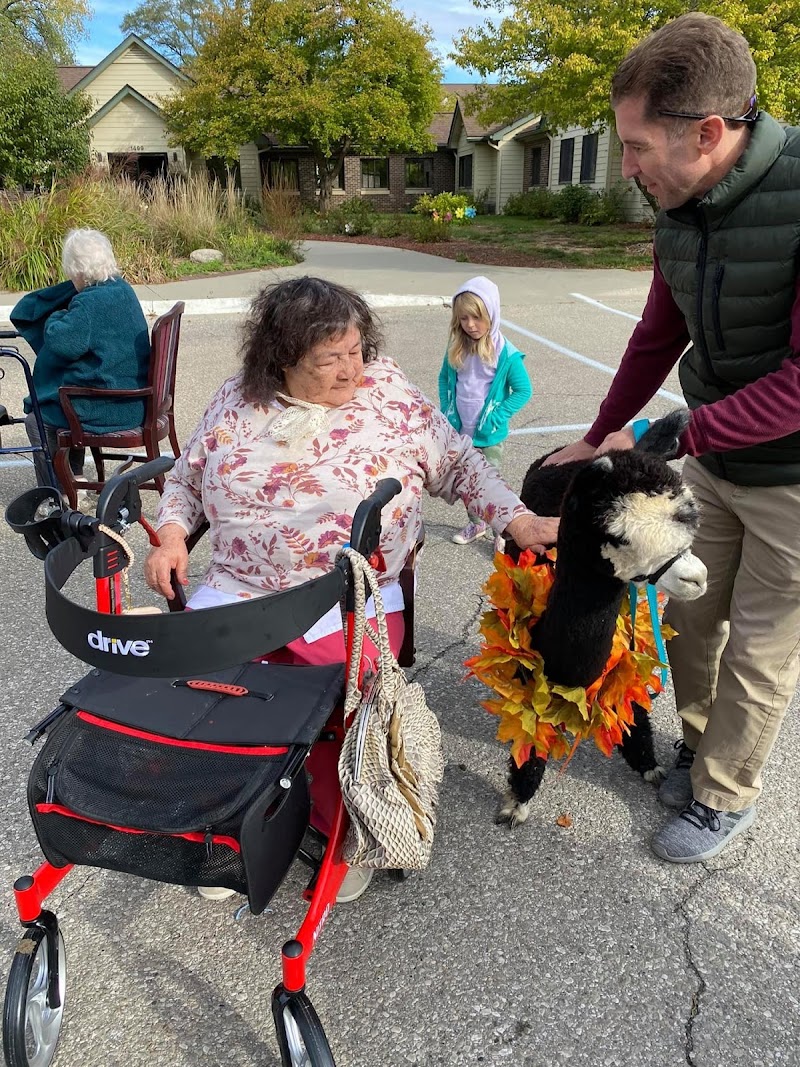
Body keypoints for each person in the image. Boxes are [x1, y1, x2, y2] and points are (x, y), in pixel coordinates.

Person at [144, 275, 558, 902]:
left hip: (351, 599)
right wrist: (173, 536)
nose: (350, 369)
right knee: (217, 700)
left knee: (337, 713)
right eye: (328, 359)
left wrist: (518, 519)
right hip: (240, 592)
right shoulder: (237, 398)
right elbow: (185, 478)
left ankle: (343, 826)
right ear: (279, 360)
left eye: (357, 349)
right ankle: (230, 822)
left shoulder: (389, 392)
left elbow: (459, 464)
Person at [543, 12, 800, 864]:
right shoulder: (678, 203)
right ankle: (698, 745)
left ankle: (727, 793)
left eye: (637, 145)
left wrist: (686, 427)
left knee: (762, 648)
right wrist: (594, 440)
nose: (626, 166)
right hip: (717, 457)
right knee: (690, 616)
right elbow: (658, 331)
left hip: (791, 473)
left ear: (710, 132)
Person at [11, 228, 150, 493]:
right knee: (61, 400)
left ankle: (57, 493)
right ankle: (74, 477)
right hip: (134, 400)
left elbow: (63, 343)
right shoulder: (121, 288)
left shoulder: (89, 304)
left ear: (76, 270)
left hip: (112, 407)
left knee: (38, 419)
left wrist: (54, 317)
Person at [438, 276, 532, 550]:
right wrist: (447, 408)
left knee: (489, 487)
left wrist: (497, 416)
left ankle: (502, 532)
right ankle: (477, 523)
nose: (470, 325)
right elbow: (445, 379)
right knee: (468, 484)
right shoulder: (457, 348)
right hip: (462, 432)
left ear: (491, 314)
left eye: (477, 318)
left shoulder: (505, 354)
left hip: (488, 436)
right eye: (464, 318)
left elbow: (523, 390)